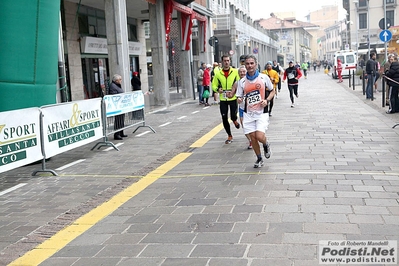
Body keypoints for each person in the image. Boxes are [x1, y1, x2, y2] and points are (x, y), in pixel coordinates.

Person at [236, 54, 274, 168]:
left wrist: (266, 100)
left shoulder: (263, 78)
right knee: (253, 138)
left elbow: (272, 91)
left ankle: (266, 144)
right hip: (248, 113)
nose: (250, 66)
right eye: (247, 64)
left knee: (259, 136)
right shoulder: (242, 82)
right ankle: (259, 158)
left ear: (256, 65)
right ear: (245, 65)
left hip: (261, 112)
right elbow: (239, 97)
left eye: (252, 63)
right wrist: (239, 99)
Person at [212, 54, 241, 144]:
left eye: (228, 60)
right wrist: (217, 89)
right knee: (224, 117)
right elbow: (213, 85)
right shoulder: (218, 74)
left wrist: (235, 91)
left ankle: (235, 120)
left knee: (233, 115)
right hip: (223, 98)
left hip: (233, 97)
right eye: (224, 61)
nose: (226, 62)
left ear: (230, 61)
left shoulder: (235, 72)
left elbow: (240, 82)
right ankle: (229, 135)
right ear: (222, 62)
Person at [233, 65, 252, 149]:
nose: (242, 73)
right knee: (244, 125)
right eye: (240, 72)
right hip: (242, 108)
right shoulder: (237, 83)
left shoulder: (251, 81)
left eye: (244, 71)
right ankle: (250, 141)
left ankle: (254, 139)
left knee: (252, 125)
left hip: (252, 108)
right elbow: (232, 94)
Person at [109, 74, 127, 140]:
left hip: (121, 105)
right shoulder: (113, 86)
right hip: (117, 106)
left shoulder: (117, 85)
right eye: (120, 79)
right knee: (118, 119)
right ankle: (117, 134)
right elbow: (114, 95)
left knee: (121, 119)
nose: (121, 81)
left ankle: (121, 132)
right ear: (116, 80)